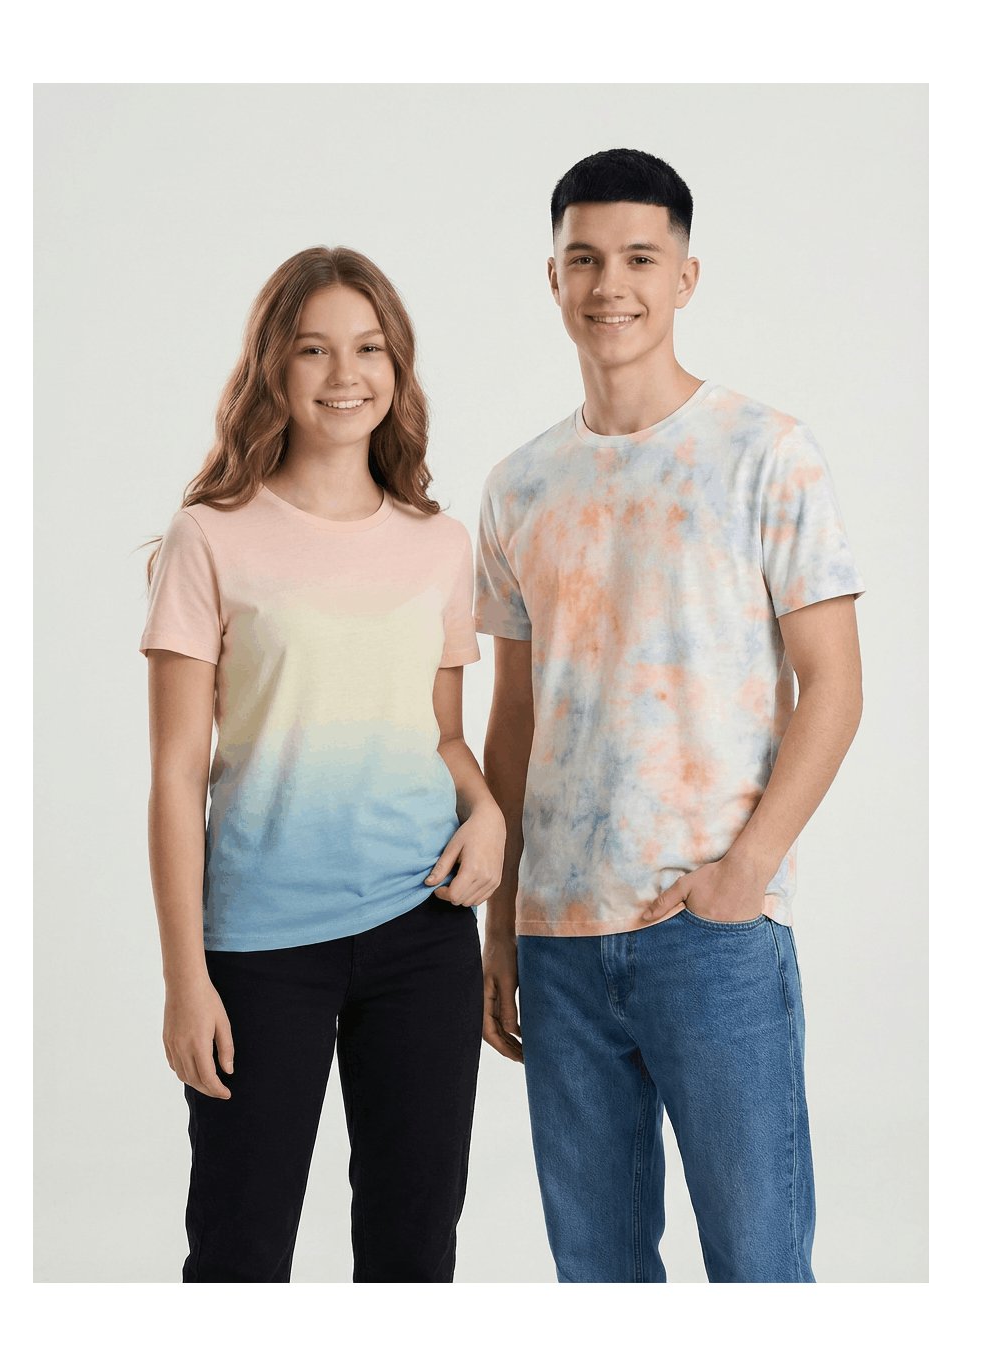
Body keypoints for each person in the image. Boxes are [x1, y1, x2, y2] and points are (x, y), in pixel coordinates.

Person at [475, 148, 865, 1283]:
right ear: (552, 277)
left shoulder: (765, 452)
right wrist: (499, 925)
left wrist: (748, 871)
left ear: (686, 277)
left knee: (757, 1271)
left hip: (713, 932)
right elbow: (514, 719)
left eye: (640, 258)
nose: (611, 285)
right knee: (596, 1277)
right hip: (556, 941)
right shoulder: (519, 485)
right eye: (585, 259)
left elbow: (835, 686)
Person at [140, 246, 504, 1283]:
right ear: (273, 365)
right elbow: (175, 775)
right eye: (313, 350)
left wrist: (488, 814)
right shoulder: (209, 537)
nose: (345, 375)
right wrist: (184, 980)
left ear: (398, 366)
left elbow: (441, 734)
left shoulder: (439, 543)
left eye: (369, 348)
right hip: (260, 948)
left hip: (423, 927)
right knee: (239, 1254)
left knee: (413, 1252)